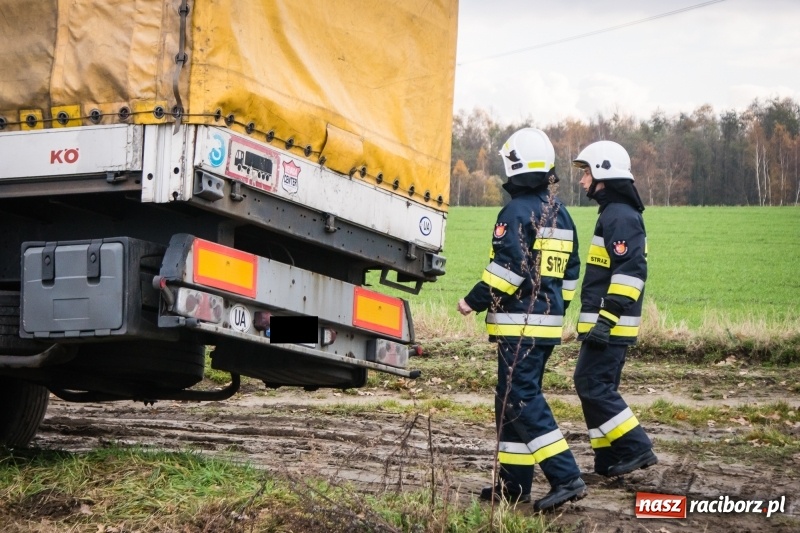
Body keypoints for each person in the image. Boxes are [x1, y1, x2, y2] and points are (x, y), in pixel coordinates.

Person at [458, 127, 587, 512]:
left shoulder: (515, 212)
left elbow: (509, 268)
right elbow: (571, 272)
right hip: (543, 327)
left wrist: (473, 300)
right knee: (508, 402)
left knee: (521, 398)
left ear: (515, 167)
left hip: (520, 326)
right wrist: (556, 309)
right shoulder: (561, 213)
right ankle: (514, 487)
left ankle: (566, 477)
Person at [571, 140, 658, 478]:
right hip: (605, 325)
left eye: (587, 172)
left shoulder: (620, 216)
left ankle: (636, 447)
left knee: (592, 386)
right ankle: (607, 460)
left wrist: (605, 321)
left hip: (611, 326)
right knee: (596, 387)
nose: (582, 181)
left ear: (604, 175)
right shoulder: (614, 213)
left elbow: (630, 274)